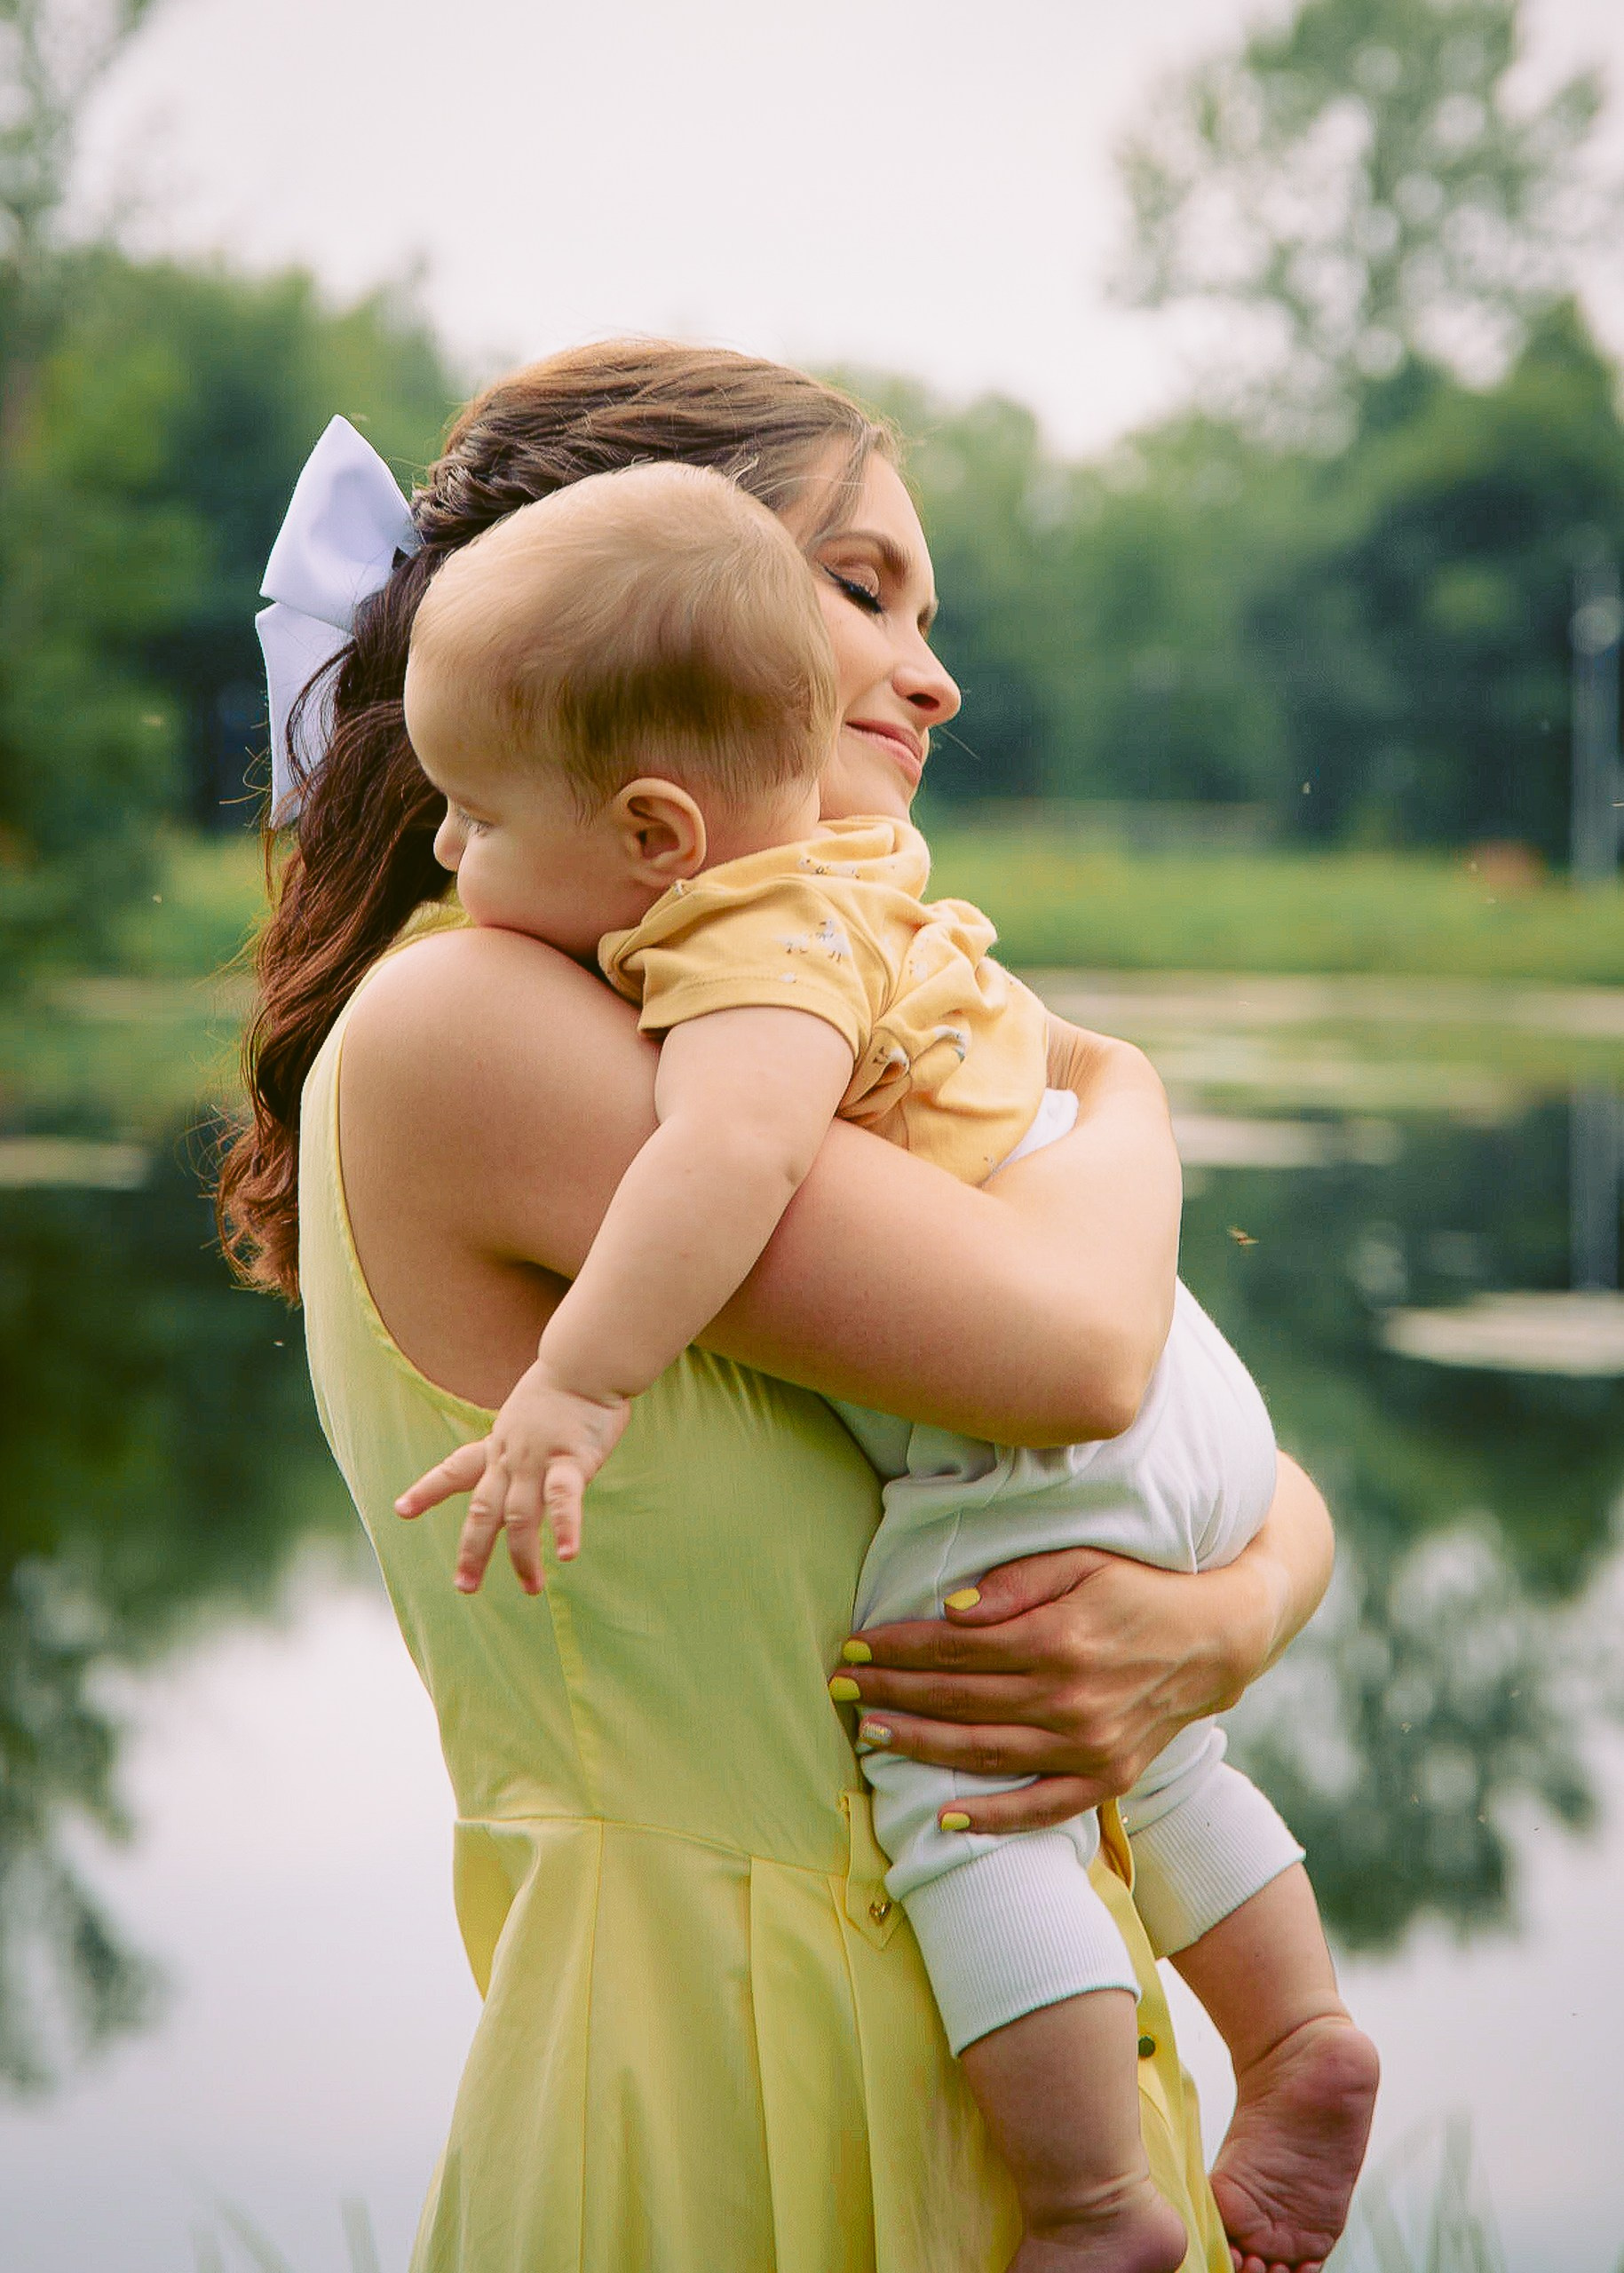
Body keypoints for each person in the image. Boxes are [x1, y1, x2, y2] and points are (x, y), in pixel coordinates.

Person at [218, 342, 1341, 2273]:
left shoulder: (753, 1016)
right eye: (860, 587)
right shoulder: (472, 1023)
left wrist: (1213, 1625)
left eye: (929, 609)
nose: (934, 672)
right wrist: (1134, 1095)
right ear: (648, 620)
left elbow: (1214, 1456)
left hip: (997, 2066)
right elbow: (1089, 1352)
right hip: (730, 2076)